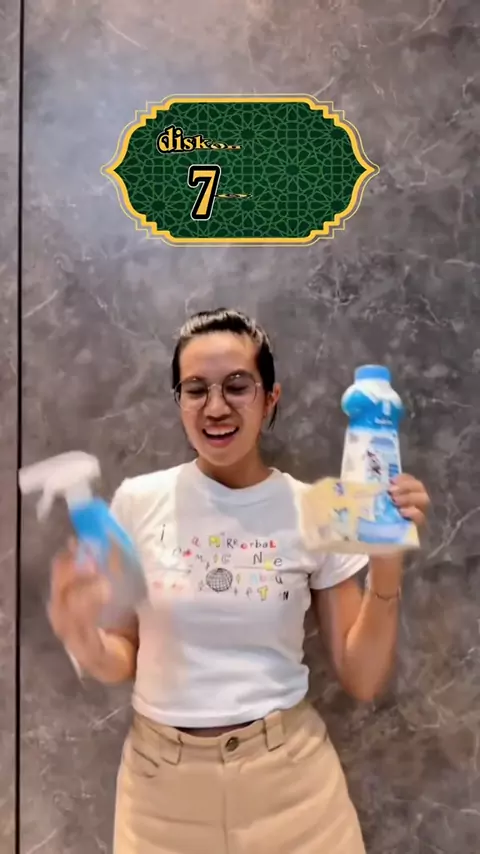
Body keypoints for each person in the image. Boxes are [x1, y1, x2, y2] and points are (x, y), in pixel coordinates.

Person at [49, 308, 430, 854]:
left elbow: (362, 677)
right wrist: (85, 638)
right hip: (160, 802)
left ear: (270, 398)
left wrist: (387, 565)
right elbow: (125, 655)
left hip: (294, 794)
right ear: (179, 401)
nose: (216, 406)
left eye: (236, 385)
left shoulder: (315, 506)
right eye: (195, 389)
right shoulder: (138, 500)